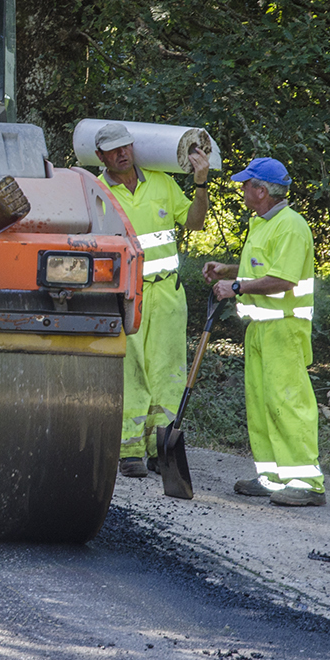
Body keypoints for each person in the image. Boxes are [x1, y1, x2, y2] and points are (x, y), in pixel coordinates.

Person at [203, 157, 322, 506]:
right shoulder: (264, 224)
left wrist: (236, 287)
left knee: (289, 403)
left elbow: (282, 279)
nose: (241, 191)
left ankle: (306, 482)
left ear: (261, 190)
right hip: (260, 330)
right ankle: (272, 478)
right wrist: (228, 268)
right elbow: (261, 266)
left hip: (284, 330)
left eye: (246, 185)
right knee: (262, 404)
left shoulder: (291, 226)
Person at [93, 122, 210, 477]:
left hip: (168, 294)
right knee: (131, 370)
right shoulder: (96, 192)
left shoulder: (160, 181)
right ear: (100, 156)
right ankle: (129, 449)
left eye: (126, 146)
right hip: (127, 294)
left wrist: (201, 184)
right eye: (114, 150)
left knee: (168, 373)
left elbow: (195, 223)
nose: (122, 153)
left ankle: (162, 449)